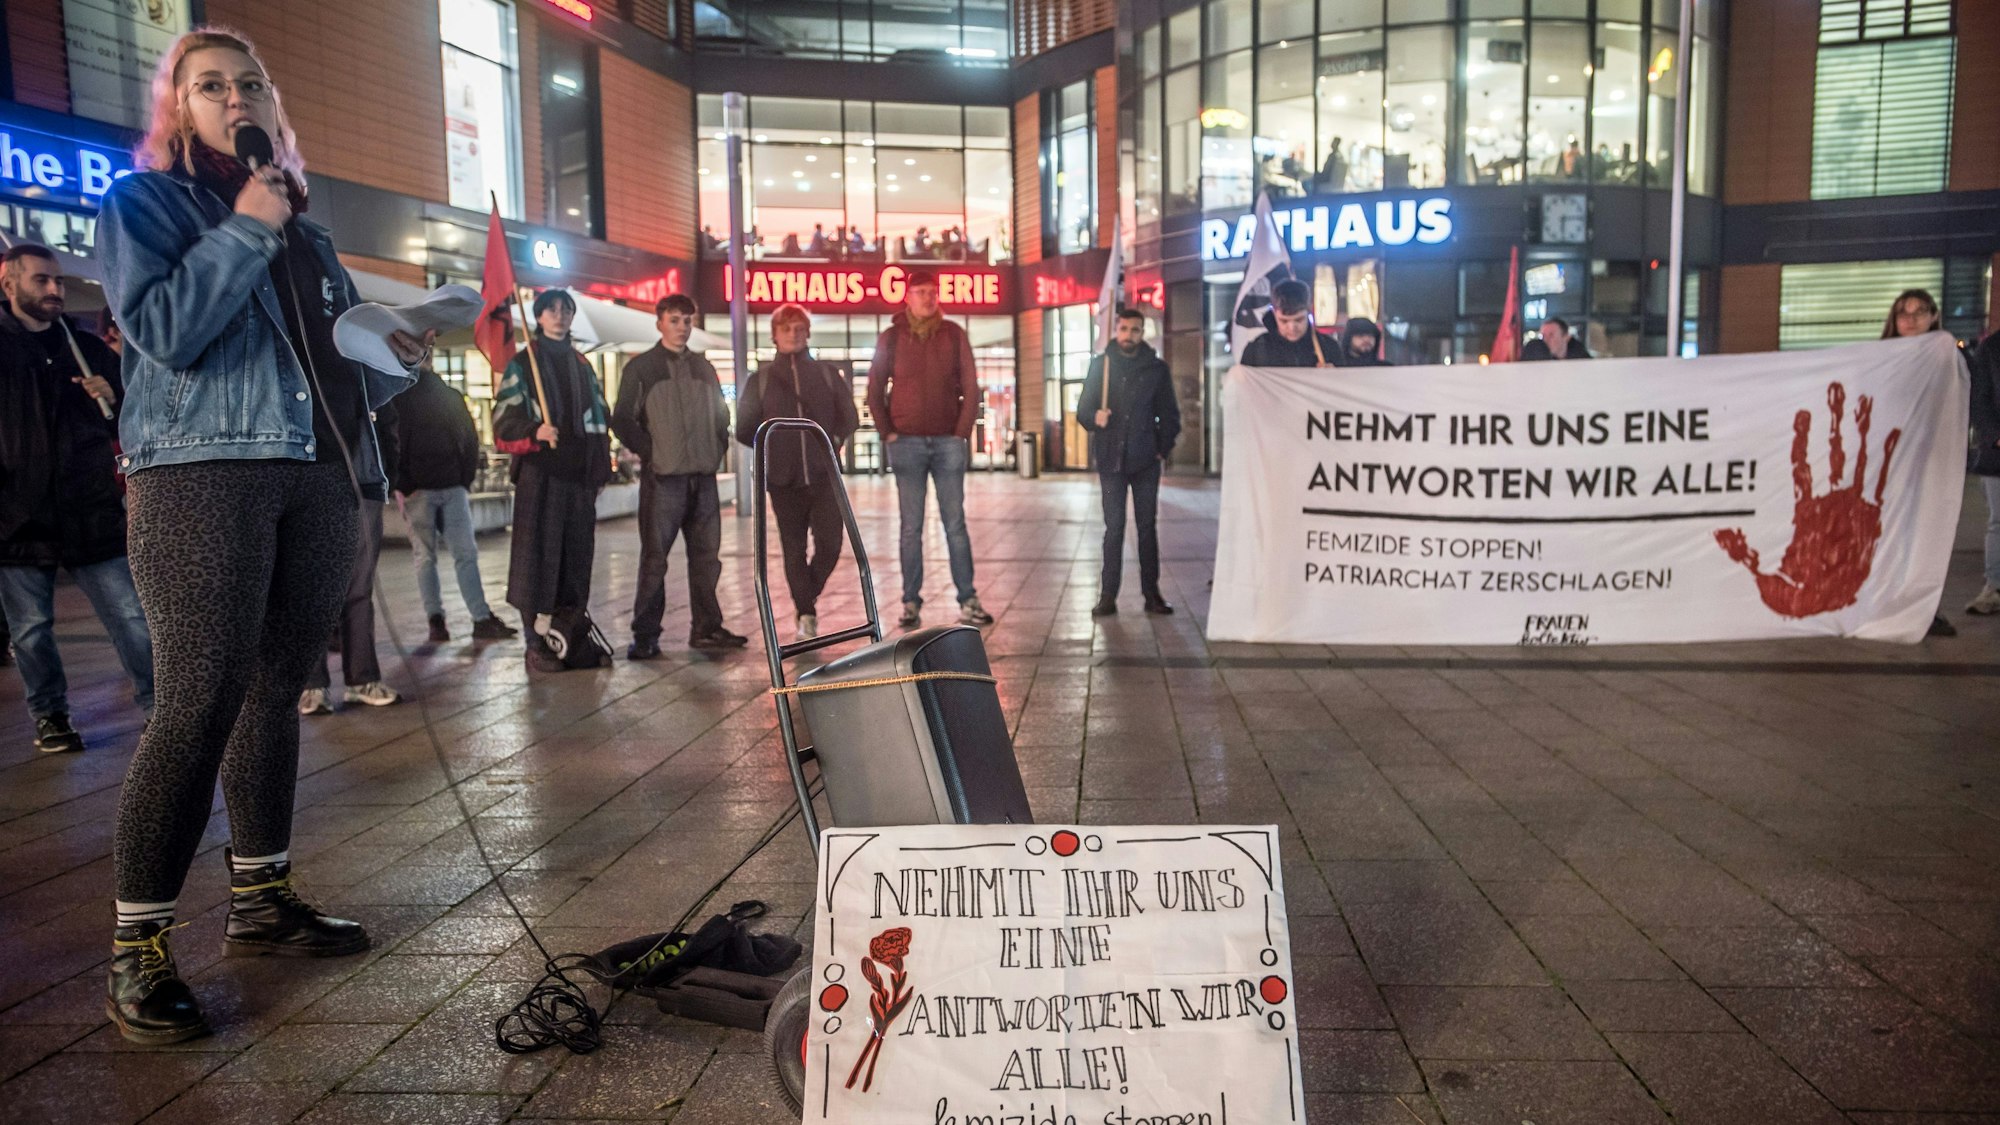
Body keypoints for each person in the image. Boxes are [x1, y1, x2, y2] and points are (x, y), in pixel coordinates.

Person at [99, 27, 428, 1044]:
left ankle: (261, 896)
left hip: (319, 475)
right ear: (178, 107)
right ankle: (139, 946)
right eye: (210, 84)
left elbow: (330, 362)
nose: (233, 96)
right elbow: (166, 331)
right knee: (197, 697)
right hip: (204, 474)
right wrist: (243, 226)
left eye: (249, 83)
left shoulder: (305, 225)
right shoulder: (145, 204)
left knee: (275, 687)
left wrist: (392, 352)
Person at [0, 243, 154, 752]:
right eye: (41, 280)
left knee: (129, 615)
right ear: (9, 284)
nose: (53, 290)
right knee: (31, 629)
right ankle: (51, 716)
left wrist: (108, 398)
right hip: (18, 516)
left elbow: (128, 416)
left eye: (59, 281)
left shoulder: (84, 346)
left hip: (89, 510)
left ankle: (160, 705)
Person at [610, 293, 744, 657]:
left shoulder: (704, 367)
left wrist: (716, 448)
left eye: (687, 320)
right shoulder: (642, 368)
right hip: (664, 479)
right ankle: (646, 635)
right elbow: (621, 418)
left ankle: (707, 628)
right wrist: (652, 452)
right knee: (655, 559)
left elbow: (721, 415)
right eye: (674, 320)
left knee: (707, 559)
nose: (682, 327)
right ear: (660, 323)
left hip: (702, 478)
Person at [495, 288, 613, 670]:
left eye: (566, 310)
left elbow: (599, 418)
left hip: (578, 478)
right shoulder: (523, 363)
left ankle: (569, 635)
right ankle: (536, 645)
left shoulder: (582, 364)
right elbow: (503, 419)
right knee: (537, 561)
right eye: (552, 310)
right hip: (541, 477)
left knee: (577, 560)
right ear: (539, 317)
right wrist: (534, 431)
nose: (559, 316)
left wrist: (598, 469)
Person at [867, 269, 992, 629]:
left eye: (932, 292)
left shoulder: (953, 334)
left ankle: (968, 598)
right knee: (911, 526)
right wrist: (886, 431)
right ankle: (910, 601)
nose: (927, 298)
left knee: (955, 523)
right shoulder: (891, 338)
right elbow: (875, 388)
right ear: (907, 297)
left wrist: (961, 432)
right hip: (905, 443)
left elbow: (971, 384)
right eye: (920, 292)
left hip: (947, 441)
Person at [736, 304, 859, 641]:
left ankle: (806, 595)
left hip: (824, 477)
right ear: (774, 334)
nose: (792, 333)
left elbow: (850, 418)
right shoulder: (759, 380)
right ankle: (806, 612)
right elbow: (744, 429)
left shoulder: (826, 374)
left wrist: (831, 441)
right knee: (793, 548)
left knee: (831, 544)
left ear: (807, 333)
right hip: (782, 480)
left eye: (799, 328)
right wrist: (774, 450)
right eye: (786, 328)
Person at [393, 359, 516, 644]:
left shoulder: (403, 396)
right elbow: (469, 438)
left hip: (429, 487)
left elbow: (393, 441)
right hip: (440, 485)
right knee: (462, 554)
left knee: (429, 556)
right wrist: (463, 477)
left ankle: (442, 621)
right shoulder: (445, 395)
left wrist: (404, 483)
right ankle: (477, 618)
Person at [300, 396, 401, 714]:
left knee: (359, 590)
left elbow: (389, 420)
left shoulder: (361, 366)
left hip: (362, 485)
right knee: (312, 592)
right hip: (311, 483)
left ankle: (362, 679)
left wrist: (386, 475)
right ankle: (312, 685)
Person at [1078, 309, 1181, 617]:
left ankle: (1152, 594)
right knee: (1114, 528)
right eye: (1124, 329)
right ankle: (1108, 594)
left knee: (1147, 528)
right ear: (1116, 330)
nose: (1128, 335)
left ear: (1142, 333)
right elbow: (1083, 410)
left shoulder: (1156, 369)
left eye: (1135, 330)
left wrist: (1161, 448)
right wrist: (1094, 418)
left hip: (1145, 460)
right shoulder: (1101, 366)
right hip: (1111, 460)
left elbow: (1170, 415)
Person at [1880, 289, 1958, 637]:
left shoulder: (1946, 360)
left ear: (1933, 316)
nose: (1910, 319)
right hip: (1891, 463)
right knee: (1890, 533)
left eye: (1919, 311)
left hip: (1932, 459)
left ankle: (1926, 608)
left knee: (1928, 531)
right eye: (1903, 313)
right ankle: (1885, 602)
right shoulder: (1879, 359)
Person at [1968, 327, 2000, 616]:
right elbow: (1979, 400)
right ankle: (1994, 586)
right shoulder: (1991, 349)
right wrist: (1996, 437)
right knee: (1998, 522)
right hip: (1998, 453)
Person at [1240, 278, 1339, 367]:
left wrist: (1335, 376)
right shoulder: (1256, 350)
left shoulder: (1329, 348)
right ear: (1274, 313)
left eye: (1299, 320)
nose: (1292, 327)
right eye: (1284, 321)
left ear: (1309, 311)